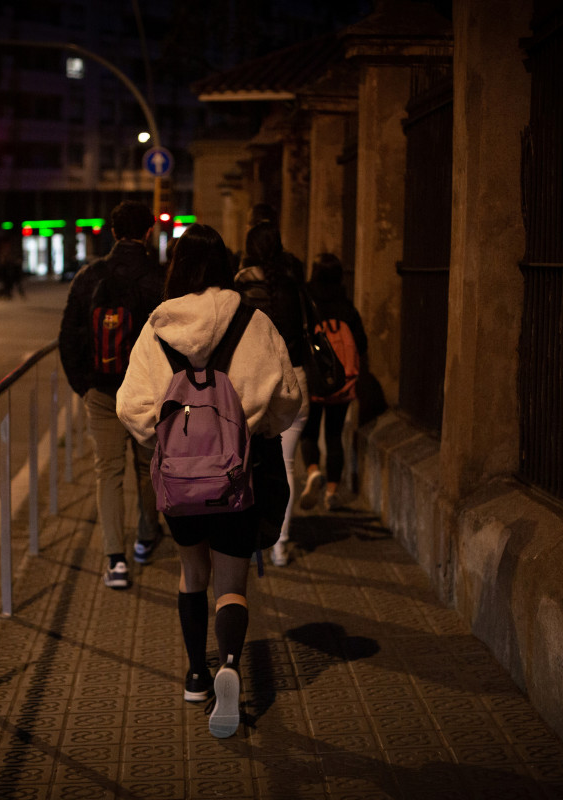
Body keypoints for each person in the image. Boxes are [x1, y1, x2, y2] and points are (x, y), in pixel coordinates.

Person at [117, 222, 301, 738]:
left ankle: (196, 675)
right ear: (223, 264)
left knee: (190, 574)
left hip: (179, 486)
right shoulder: (253, 322)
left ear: (176, 267)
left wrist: (171, 446)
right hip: (240, 479)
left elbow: (130, 407)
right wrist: (249, 432)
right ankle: (230, 664)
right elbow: (286, 398)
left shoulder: (158, 329)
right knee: (231, 584)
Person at [59, 200, 165, 589]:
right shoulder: (160, 277)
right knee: (147, 467)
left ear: (114, 232)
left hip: (102, 391)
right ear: (148, 232)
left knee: (108, 472)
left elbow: (68, 337)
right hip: (147, 393)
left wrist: (84, 386)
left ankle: (115, 560)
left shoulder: (89, 277)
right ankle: (146, 537)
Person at [234, 221, 308, 566]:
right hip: (295, 379)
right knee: (288, 466)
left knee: (244, 460)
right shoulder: (293, 282)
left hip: (254, 381)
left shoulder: (243, 285)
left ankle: (246, 535)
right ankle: (280, 544)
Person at [298, 253, 368, 510]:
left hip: (315, 380)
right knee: (334, 435)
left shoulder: (308, 303)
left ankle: (314, 471)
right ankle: (331, 492)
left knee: (309, 431)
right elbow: (361, 343)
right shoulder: (346, 308)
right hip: (341, 382)